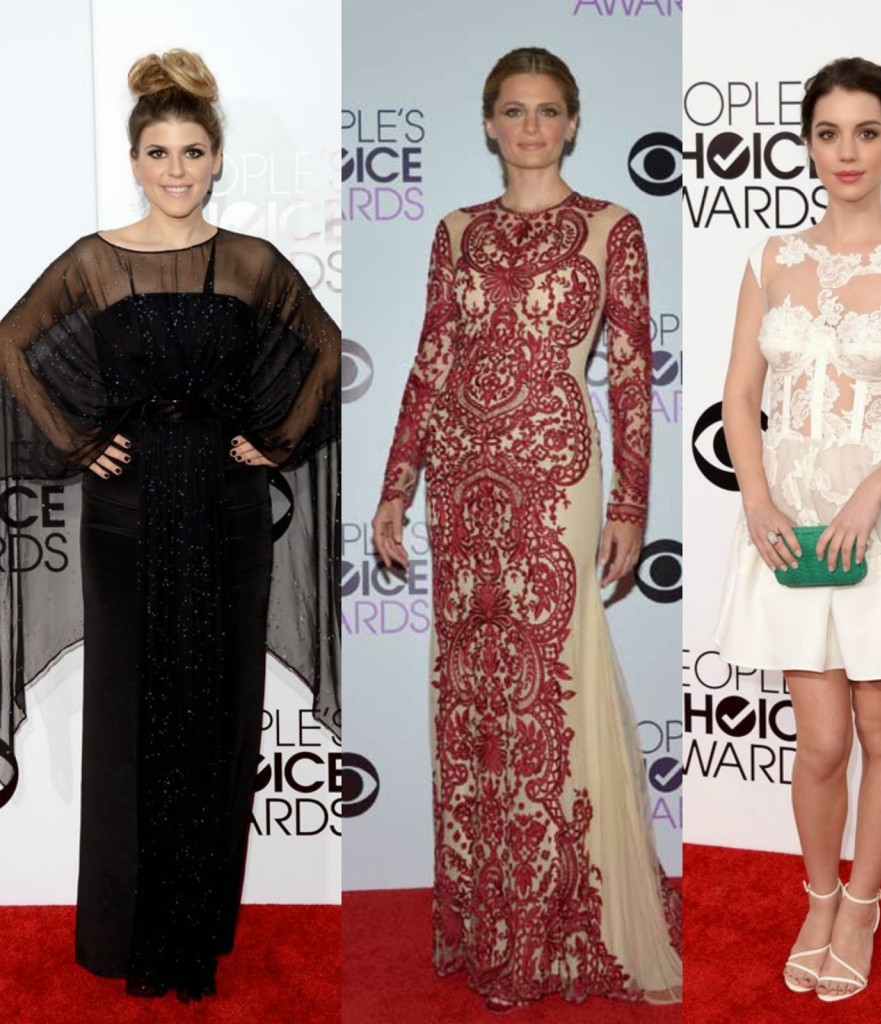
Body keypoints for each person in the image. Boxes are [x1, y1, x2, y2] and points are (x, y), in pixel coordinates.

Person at [0, 49, 340, 1000]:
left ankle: (193, 937)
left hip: (228, 514)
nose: (177, 169)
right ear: (135, 161)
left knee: (220, 716)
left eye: (193, 151)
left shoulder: (252, 263)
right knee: (129, 720)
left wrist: (275, 441)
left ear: (218, 158)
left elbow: (323, 351)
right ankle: (130, 937)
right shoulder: (95, 261)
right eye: (159, 152)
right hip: (127, 515)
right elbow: (9, 345)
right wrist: (77, 440)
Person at [372, 46, 681, 1011]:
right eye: (514, 110)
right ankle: (486, 917)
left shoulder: (615, 228)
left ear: (574, 122)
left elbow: (630, 374)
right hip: (461, 480)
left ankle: (555, 921)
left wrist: (630, 504)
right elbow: (431, 361)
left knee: (551, 686)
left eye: (548, 110)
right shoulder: (456, 231)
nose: (532, 127)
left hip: (556, 474)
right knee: (472, 693)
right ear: (489, 123)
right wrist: (395, 487)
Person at [716, 57, 881, 1002]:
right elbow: (740, 395)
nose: (848, 151)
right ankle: (819, 899)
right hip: (789, 526)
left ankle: (862, 909)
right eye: (829, 133)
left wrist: (875, 489)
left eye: (867, 132)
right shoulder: (770, 259)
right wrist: (757, 498)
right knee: (822, 741)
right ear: (807, 145)